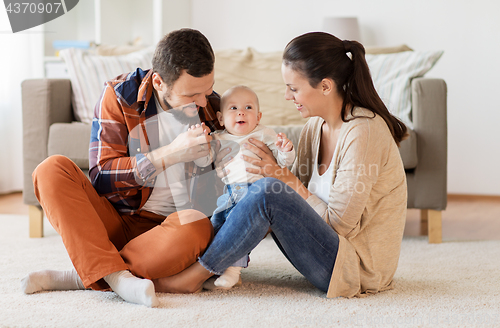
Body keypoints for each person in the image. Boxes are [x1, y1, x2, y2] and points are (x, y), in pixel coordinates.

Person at [152, 31, 409, 299]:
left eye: (294, 88)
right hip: (324, 251)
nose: (287, 96)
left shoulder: (362, 132)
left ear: (325, 86)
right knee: (256, 190)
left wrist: (278, 175)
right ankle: (209, 264)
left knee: (267, 191)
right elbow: (294, 201)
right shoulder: (315, 127)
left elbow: (339, 224)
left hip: (354, 268)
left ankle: (195, 276)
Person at [20, 28, 223, 307]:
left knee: (199, 226)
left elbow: (223, 197)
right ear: (159, 82)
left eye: (208, 91)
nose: (203, 102)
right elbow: (102, 177)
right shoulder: (119, 95)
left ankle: (85, 274)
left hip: (169, 233)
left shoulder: (215, 108)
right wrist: (171, 154)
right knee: (50, 169)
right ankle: (117, 275)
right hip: (115, 221)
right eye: (192, 96)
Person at [191, 85, 295, 289]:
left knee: (241, 228)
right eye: (233, 108)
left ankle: (233, 270)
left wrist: (286, 150)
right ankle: (216, 268)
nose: (241, 112)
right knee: (219, 229)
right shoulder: (219, 138)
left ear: (258, 116)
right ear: (220, 119)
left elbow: (284, 162)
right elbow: (204, 162)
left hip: (255, 192)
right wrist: (201, 143)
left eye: (248, 107)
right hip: (229, 193)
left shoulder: (264, 134)